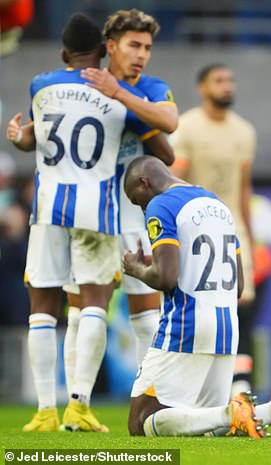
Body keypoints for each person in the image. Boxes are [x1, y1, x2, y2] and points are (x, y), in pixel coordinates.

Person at [5, 13, 160, 433]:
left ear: (63, 51)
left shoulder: (41, 85)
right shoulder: (118, 96)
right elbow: (160, 145)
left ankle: (43, 411)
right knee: (93, 304)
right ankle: (79, 405)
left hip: (48, 206)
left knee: (42, 311)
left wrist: (22, 138)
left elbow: (33, 136)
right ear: (104, 50)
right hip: (98, 209)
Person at [122, 156, 271, 438]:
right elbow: (239, 284)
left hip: (186, 323)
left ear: (145, 182)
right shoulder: (216, 204)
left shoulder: (160, 204)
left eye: (136, 199)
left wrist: (137, 269)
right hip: (226, 326)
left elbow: (165, 277)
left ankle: (234, 411)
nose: (140, 206)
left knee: (141, 422)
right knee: (209, 427)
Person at [63, 9, 178, 377]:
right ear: (110, 46)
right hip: (86, 212)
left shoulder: (151, 87)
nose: (142, 54)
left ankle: (152, 395)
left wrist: (119, 94)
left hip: (132, 215)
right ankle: (75, 404)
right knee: (80, 314)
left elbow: (170, 122)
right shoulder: (81, 84)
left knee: (146, 313)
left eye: (147, 47)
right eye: (133, 45)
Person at [169, 64, 257, 395]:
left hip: (234, 232)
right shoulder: (186, 128)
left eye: (230, 80)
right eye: (219, 80)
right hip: (197, 232)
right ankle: (197, 386)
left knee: (241, 307)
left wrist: (250, 235)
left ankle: (240, 386)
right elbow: (175, 183)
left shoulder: (244, 131)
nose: (227, 86)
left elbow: (244, 188)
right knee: (199, 307)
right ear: (202, 88)